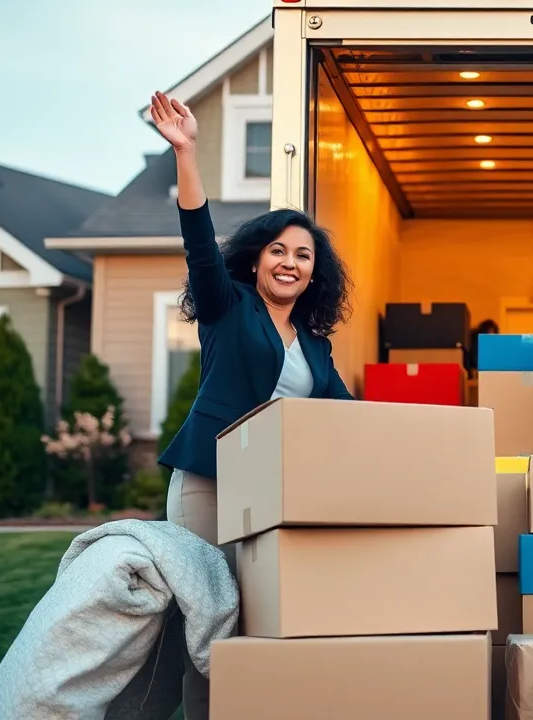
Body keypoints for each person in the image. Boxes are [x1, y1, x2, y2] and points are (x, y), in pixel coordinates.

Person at [148, 90, 356, 718]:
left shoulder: (315, 345)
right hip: (209, 485)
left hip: (271, 494)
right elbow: (198, 242)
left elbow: (351, 417)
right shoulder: (227, 306)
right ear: (258, 259)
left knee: (256, 622)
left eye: (303, 255)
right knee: (206, 624)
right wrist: (187, 153)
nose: (290, 263)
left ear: (315, 273)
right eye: (278, 250)